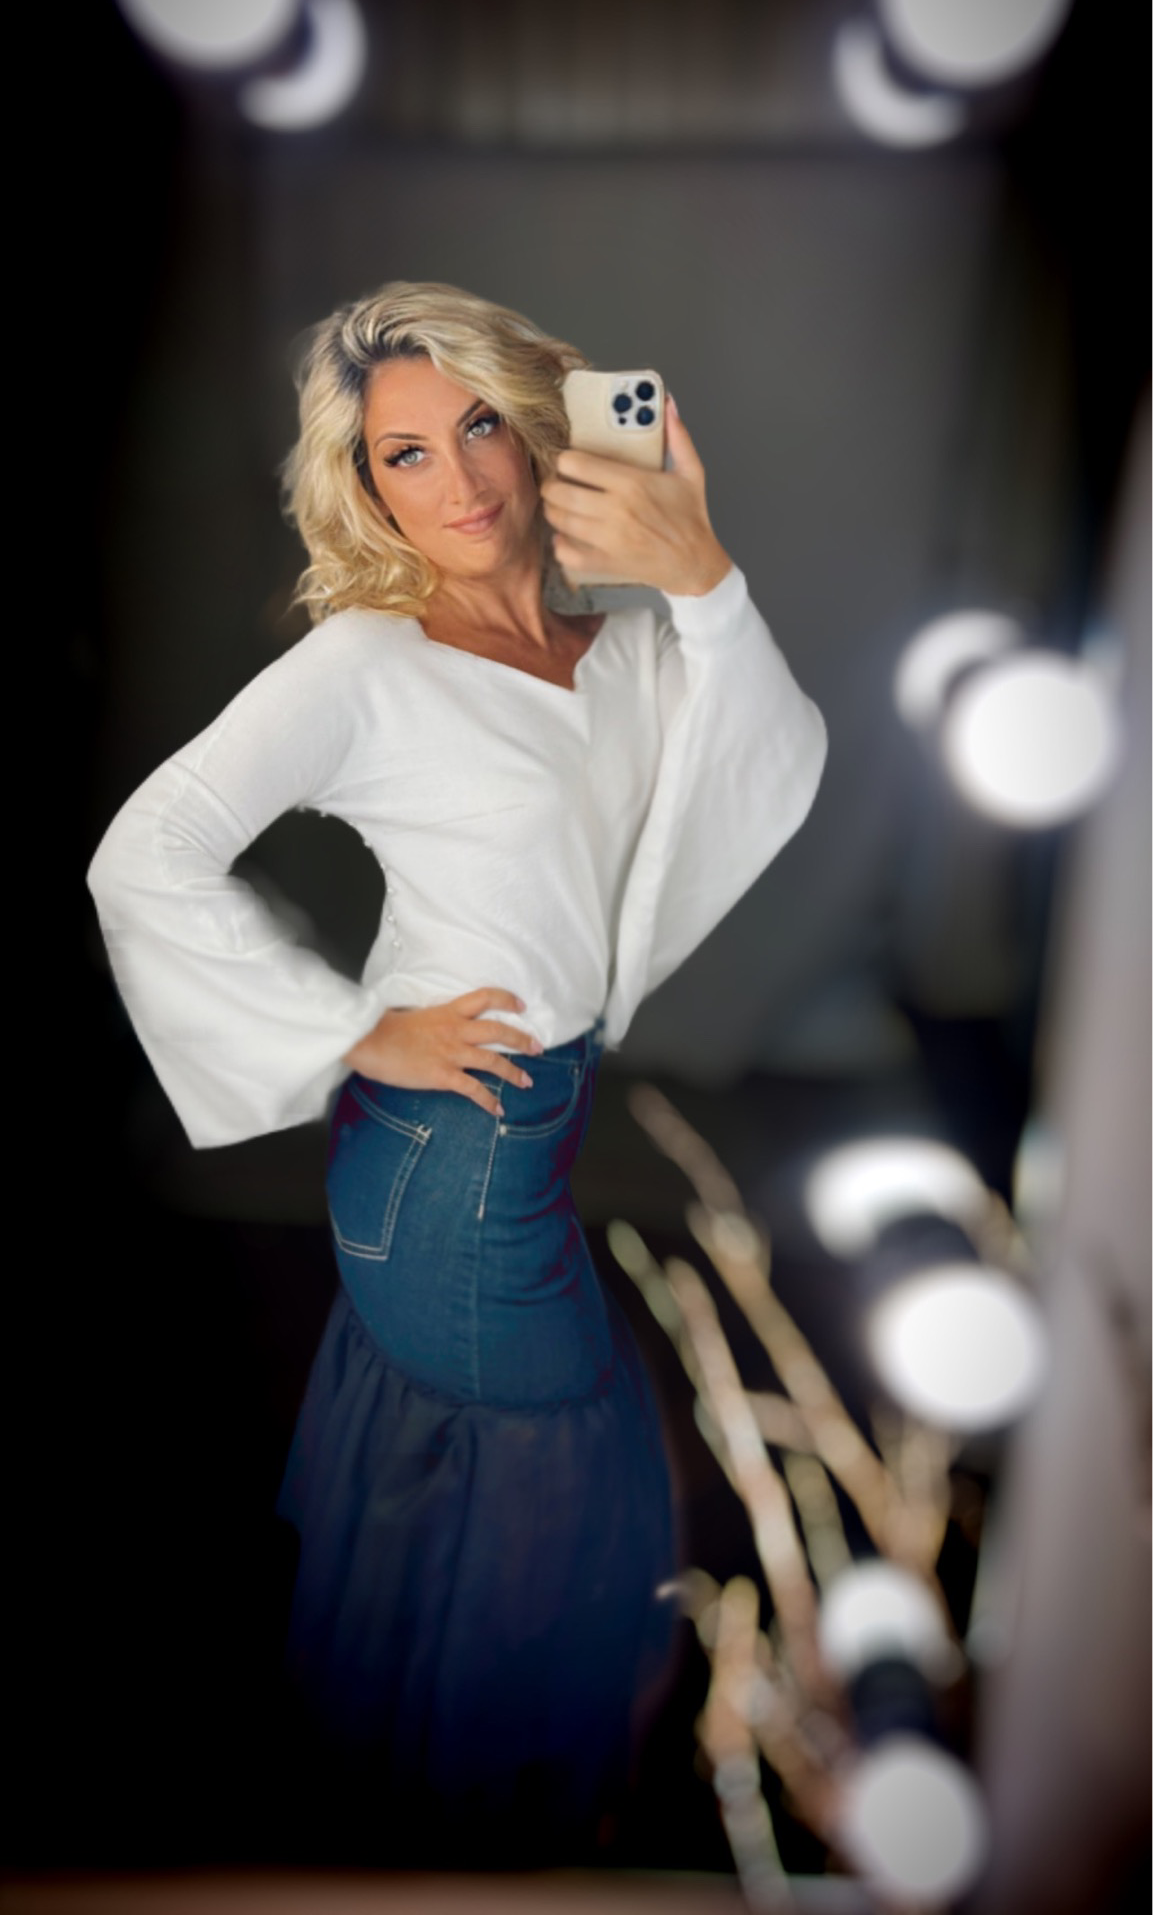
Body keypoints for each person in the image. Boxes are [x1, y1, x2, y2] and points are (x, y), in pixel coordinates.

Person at [87, 280, 827, 1863]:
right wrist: (352, 1030)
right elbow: (144, 853)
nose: (462, 478)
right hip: (447, 1160)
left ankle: (437, 1832)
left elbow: (770, 760)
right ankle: (479, 1848)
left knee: (533, 1486)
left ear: (540, 426)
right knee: (563, 1489)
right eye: (405, 453)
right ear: (366, 488)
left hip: (519, 1145)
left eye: (482, 423)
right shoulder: (368, 662)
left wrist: (701, 572)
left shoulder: (630, 650)